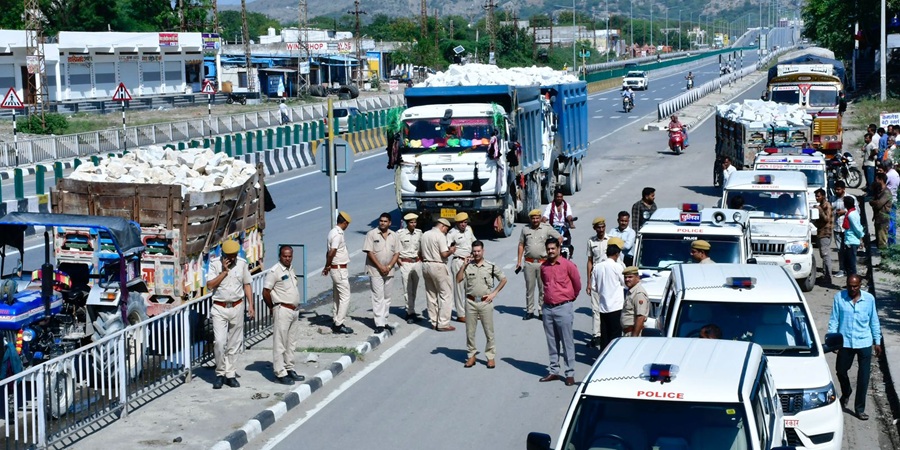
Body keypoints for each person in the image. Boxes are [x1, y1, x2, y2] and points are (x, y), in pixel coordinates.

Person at [828, 274, 882, 421]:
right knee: (840, 370)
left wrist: (877, 341)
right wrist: (833, 339)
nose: (852, 289)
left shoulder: (869, 299)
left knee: (863, 377)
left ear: (860, 285)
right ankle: (846, 392)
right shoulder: (839, 298)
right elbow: (834, 320)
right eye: (850, 286)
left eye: (855, 286)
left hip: (864, 342)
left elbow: (874, 321)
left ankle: (860, 409)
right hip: (845, 342)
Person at [207, 240, 255, 389]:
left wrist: (251, 305)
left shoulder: (242, 264)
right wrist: (224, 272)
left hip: (237, 306)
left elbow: (247, 284)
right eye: (229, 256)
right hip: (219, 307)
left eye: (234, 255)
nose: (232, 258)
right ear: (224, 254)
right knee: (220, 342)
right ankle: (220, 373)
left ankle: (230, 374)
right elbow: (210, 285)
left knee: (234, 343)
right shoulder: (215, 264)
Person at [539, 238, 581, 387]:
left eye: (553, 248)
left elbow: (577, 284)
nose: (550, 251)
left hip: (563, 307)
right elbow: (544, 283)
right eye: (548, 249)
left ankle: (569, 373)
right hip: (548, 308)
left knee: (567, 341)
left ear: (558, 249)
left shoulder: (568, 265)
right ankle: (554, 371)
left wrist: (570, 298)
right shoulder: (544, 267)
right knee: (551, 341)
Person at [457, 240, 507, 369]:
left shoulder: (490, 266)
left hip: (485, 302)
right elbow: (458, 279)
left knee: (489, 331)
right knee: (470, 332)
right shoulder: (468, 266)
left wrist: (494, 293)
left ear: (483, 251)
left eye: (479, 251)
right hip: (471, 302)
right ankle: (471, 355)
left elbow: (503, 279)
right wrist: (463, 265)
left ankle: (490, 357)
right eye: (474, 251)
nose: (476, 253)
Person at [263, 245, 304, 385]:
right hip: (282, 309)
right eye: (284, 256)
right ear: (280, 256)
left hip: (294, 310)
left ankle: (289, 367)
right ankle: (280, 372)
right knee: (280, 343)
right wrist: (272, 307)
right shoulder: (275, 271)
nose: (287, 258)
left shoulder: (290, 268)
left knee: (291, 342)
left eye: (289, 256)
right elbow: (266, 292)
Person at [517, 209, 562, 321]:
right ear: (530, 219)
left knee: (543, 289)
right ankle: (530, 311)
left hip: (543, 263)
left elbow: (559, 238)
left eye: (537, 218)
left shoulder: (546, 228)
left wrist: (555, 253)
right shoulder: (525, 229)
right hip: (529, 263)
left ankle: (542, 311)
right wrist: (519, 261)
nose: (535, 220)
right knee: (529, 288)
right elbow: (521, 245)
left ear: (540, 218)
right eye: (533, 218)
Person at [363, 212, 400, 333]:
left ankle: (385, 321)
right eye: (381, 221)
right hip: (375, 270)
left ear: (390, 223)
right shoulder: (372, 234)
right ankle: (379, 324)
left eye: (385, 221)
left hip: (389, 270)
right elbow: (369, 252)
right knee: (378, 297)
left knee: (387, 297)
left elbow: (397, 253)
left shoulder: (394, 235)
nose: (382, 223)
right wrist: (380, 266)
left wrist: (389, 266)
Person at [421, 218, 456, 331]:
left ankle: (434, 321)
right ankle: (443, 323)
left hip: (426, 264)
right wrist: (451, 250)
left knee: (431, 294)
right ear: (442, 226)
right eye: (446, 229)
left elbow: (420, 252)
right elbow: (444, 254)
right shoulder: (440, 236)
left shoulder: (425, 234)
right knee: (445, 294)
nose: (446, 231)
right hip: (438, 265)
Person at [592, 238, 625, 351]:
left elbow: (594, 287)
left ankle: (603, 355)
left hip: (603, 306)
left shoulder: (597, 267)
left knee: (604, 334)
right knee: (615, 334)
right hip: (616, 306)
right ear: (617, 254)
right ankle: (613, 355)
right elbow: (624, 283)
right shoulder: (618, 267)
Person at [323, 211, 354, 334]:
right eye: (347, 224)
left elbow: (328, 252)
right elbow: (332, 252)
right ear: (345, 223)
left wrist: (327, 266)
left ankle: (336, 319)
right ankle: (339, 324)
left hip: (335, 268)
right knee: (345, 296)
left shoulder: (332, 231)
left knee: (337, 296)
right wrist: (327, 265)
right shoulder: (337, 234)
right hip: (339, 269)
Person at [584, 218, 609, 347]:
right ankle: (596, 335)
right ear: (595, 228)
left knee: (607, 307)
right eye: (598, 227)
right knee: (595, 308)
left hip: (608, 278)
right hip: (595, 277)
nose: (601, 229)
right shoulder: (591, 241)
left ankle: (606, 333)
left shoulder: (610, 240)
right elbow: (589, 261)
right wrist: (589, 282)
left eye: (603, 227)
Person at [447, 212, 476, 323]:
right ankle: (460, 314)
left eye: (465, 222)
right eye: (461, 223)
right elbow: (447, 247)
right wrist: (451, 249)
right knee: (459, 289)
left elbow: (474, 242)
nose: (463, 224)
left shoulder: (469, 229)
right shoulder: (452, 233)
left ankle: (470, 311)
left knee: (471, 287)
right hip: (458, 261)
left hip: (470, 261)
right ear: (457, 223)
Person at [397, 213, 423, 324]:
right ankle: (410, 312)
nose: (413, 224)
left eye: (415, 222)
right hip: (405, 262)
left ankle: (412, 309)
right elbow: (395, 248)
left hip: (416, 262)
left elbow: (421, 247)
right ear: (407, 223)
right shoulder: (400, 234)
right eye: (411, 222)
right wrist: (398, 261)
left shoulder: (419, 233)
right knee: (407, 289)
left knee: (414, 289)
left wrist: (421, 259)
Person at [814, 188, 834, 287]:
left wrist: (819, 210)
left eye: (818, 196)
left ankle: (828, 277)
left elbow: (826, 218)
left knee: (826, 256)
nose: (816, 198)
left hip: (825, 233)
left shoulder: (826, 206)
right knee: (823, 255)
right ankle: (825, 275)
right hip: (820, 232)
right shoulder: (821, 205)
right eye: (816, 196)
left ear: (823, 196)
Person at [621, 266, 650, 337]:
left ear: (637, 277)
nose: (627, 279)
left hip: (633, 333)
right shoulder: (631, 291)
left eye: (630, 277)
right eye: (625, 277)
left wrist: (634, 337)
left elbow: (640, 317)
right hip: (627, 332)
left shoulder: (638, 294)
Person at [832, 181, 851, 278]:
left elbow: (856, 210)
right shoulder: (833, 199)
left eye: (838, 189)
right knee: (840, 250)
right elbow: (829, 210)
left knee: (848, 249)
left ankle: (849, 269)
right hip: (837, 227)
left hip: (847, 229)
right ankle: (842, 269)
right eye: (835, 189)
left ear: (843, 189)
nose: (836, 191)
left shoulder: (850, 198)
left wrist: (845, 211)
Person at [870, 172, 892, 251]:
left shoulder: (886, 192)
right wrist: (873, 202)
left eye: (877, 179)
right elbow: (872, 201)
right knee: (878, 242)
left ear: (881, 180)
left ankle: (884, 258)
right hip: (878, 219)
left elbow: (878, 204)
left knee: (882, 242)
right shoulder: (879, 191)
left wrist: (873, 202)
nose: (876, 181)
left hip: (883, 220)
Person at [841, 197, 863, 275]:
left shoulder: (851, 215)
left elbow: (857, 228)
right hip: (851, 240)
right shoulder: (854, 212)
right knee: (848, 263)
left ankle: (853, 279)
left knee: (851, 264)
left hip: (851, 241)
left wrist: (861, 237)